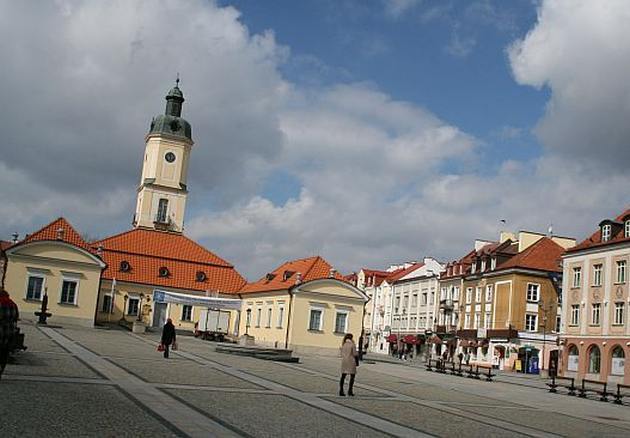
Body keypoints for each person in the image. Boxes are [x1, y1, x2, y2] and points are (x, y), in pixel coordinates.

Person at [0, 288, 19, 380]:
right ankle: (1, 371)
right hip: (9, 334)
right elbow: (16, 318)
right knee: (4, 354)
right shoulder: (13, 304)